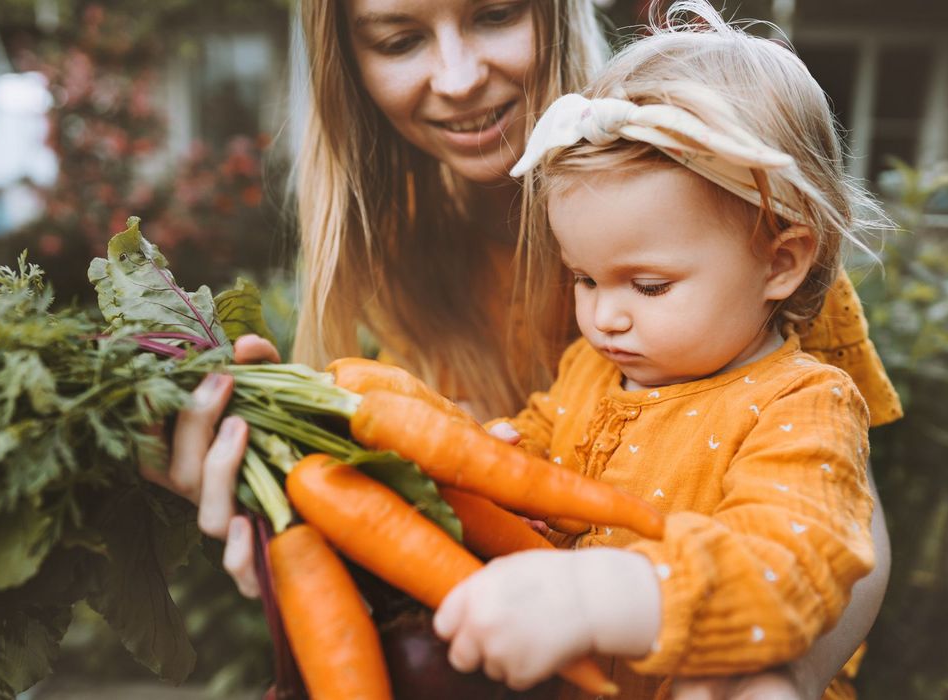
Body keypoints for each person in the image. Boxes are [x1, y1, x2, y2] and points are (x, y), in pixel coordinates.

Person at [146, 0, 903, 696]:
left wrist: (766, 672)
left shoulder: (744, 231)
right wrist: (332, 482)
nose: (602, 319)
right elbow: (502, 471)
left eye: (496, 12)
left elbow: (820, 541)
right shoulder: (577, 358)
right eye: (401, 38)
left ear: (782, 262)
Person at [431, 3, 886, 696]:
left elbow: (795, 566)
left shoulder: (802, 405)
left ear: (780, 261)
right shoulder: (592, 370)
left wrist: (604, 595)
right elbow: (536, 443)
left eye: (648, 284)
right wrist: (491, 461)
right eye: (583, 278)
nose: (604, 316)